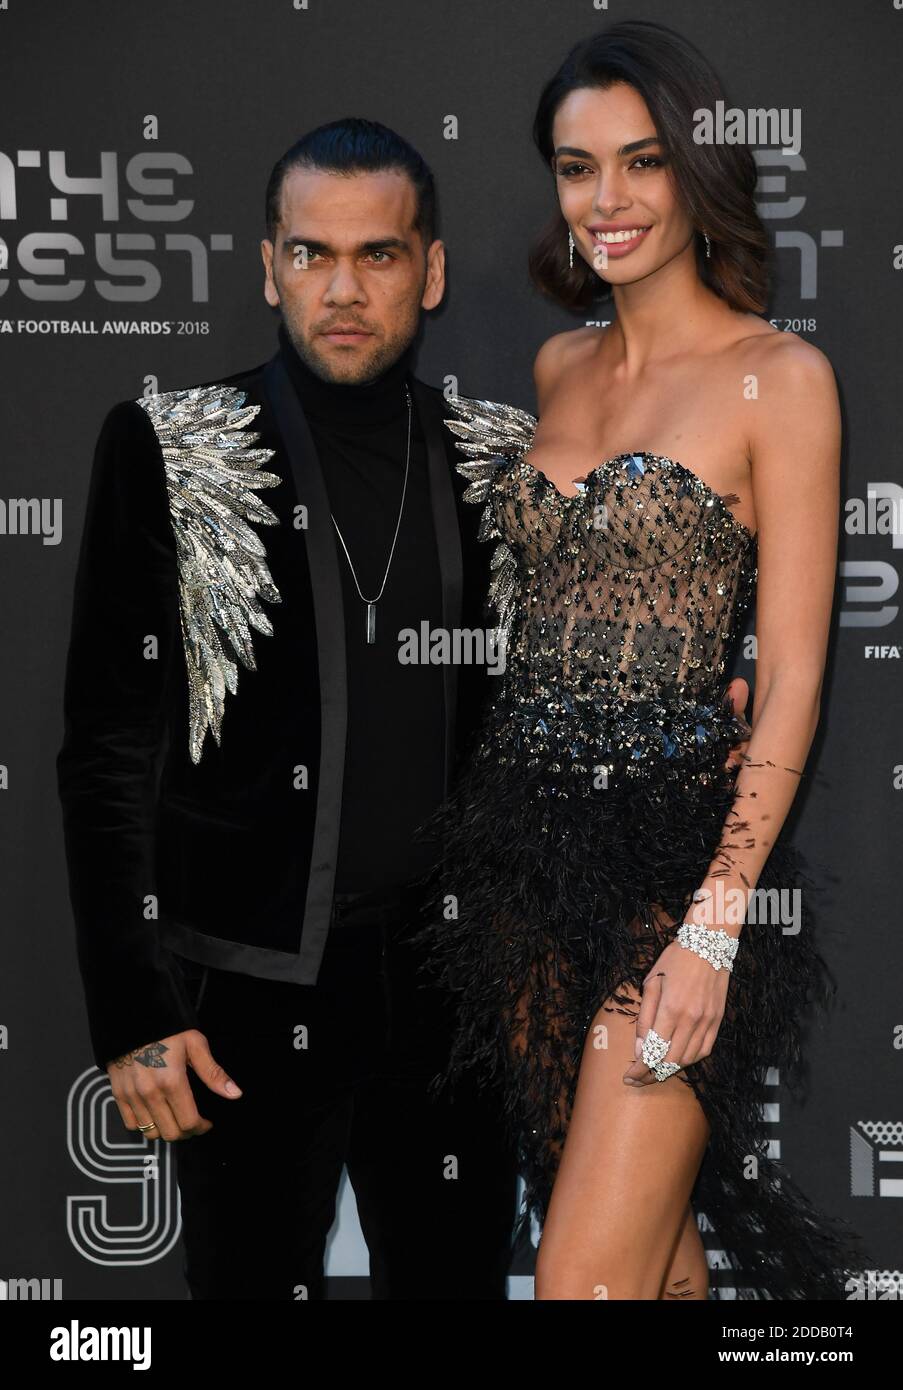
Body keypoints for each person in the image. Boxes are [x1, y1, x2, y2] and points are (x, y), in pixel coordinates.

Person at [410, 21, 874, 1300]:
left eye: (641, 162)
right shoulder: (558, 367)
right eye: (575, 167)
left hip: (671, 875)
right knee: (653, 1271)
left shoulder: (779, 380)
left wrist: (715, 928)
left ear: (696, 174)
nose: (604, 201)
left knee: (580, 1286)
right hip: (522, 868)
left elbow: (787, 678)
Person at [54, 119, 527, 1301]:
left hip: (453, 1002)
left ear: (431, 270)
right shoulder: (171, 448)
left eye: (377, 254)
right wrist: (132, 1012)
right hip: (243, 998)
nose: (343, 289)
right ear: (268, 268)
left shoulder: (503, 460)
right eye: (311, 254)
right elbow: (108, 750)